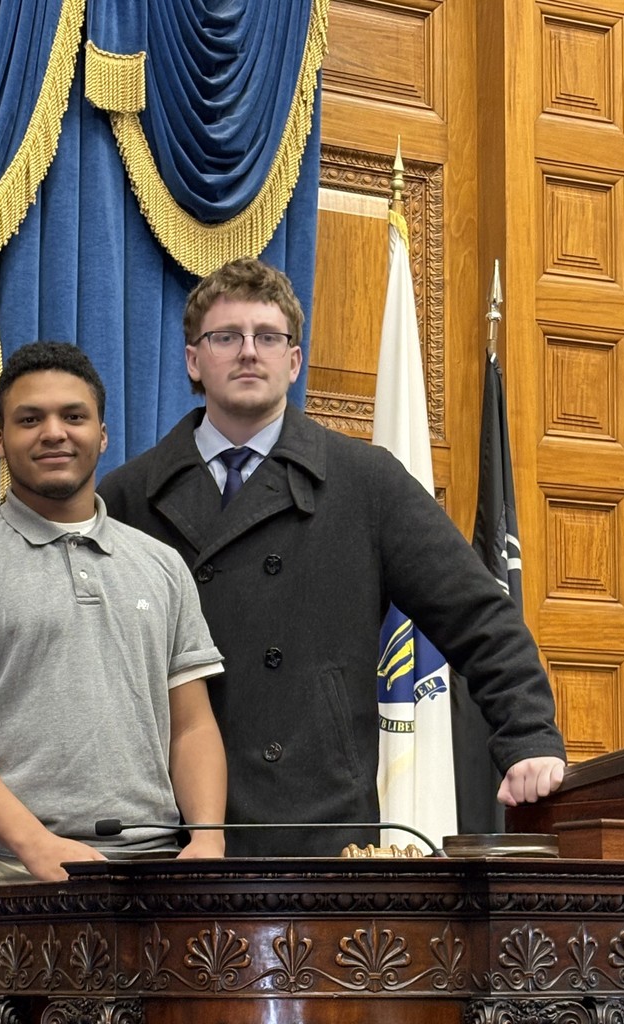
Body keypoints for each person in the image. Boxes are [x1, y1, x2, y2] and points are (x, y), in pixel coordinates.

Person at [98, 257, 566, 857]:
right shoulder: (128, 496)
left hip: (319, 831)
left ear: (294, 361)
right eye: (226, 337)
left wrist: (527, 736)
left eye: (268, 337)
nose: (248, 352)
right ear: (194, 359)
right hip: (166, 833)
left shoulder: (364, 482)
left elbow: (480, 616)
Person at [0, 341, 227, 1021]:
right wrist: (35, 845)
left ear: (102, 433)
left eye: (73, 417)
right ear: (1, 440)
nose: (53, 433)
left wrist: (208, 840)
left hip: (149, 876)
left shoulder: (161, 567)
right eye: (30, 418)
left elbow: (192, 725)